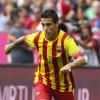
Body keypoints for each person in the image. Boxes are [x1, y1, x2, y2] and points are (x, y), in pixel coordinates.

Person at [5, 9, 86, 100]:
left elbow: (82, 60)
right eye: (43, 25)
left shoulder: (66, 40)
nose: (45, 29)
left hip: (63, 85)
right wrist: (11, 45)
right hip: (43, 81)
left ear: (56, 24)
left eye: (48, 25)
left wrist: (71, 65)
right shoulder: (38, 37)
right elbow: (24, 39)